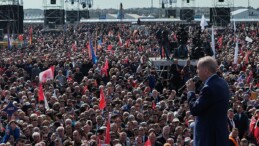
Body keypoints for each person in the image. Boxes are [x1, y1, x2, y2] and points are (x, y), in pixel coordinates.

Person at [186, 56, 230, 146]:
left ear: (206, 71)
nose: (197, 72)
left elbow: (195, 110)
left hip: (208, 138)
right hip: (219, 136)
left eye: (198, 69)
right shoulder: (223, 82)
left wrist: (191, 92)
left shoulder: (208, 87)